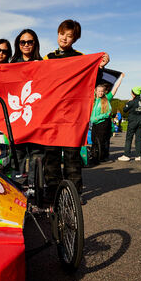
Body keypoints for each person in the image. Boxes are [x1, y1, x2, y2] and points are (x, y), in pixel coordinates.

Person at [42, 19, 110, 204]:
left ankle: (75, 192)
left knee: (72, 155)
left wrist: (100, 65)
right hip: (51, 115)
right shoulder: (48, 58)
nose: (64, 38)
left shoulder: (81, 57)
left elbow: (93, 81)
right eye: (61, 34)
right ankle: (53, 191)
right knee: (51, 155)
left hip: (72, 115)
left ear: (75, 39)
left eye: (69, 35)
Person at [10, 29, 44, 181]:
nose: (26, 45)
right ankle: (17, 187)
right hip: (17, 117)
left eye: (29, 42)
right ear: (18, 44)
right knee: (18, 155)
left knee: (37, 154)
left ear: (34, 43)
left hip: (37, 116)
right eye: (22, 42)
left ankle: (35, 187)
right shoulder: (11, 65)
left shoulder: (43, 63)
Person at [91, 74, 124, 162]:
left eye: (102, 91)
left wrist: (120, 78)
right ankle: (95, 156)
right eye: (99, 91)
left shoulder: (106, 98)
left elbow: (115, 89)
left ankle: (102, 157)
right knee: (94, 140)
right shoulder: (93, 99)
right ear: (95, 91)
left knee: (102, 141)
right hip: (94, 123)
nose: (100, 93)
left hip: (103, 123)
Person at [118, 86, 141, 161]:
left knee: (129, 138)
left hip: (133, 121)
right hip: (140, 121)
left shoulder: (132, 102)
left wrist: (128, 102)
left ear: (133, 94)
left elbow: (124, 110)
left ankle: (126, 155)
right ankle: (138, 155)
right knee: (138, 139)